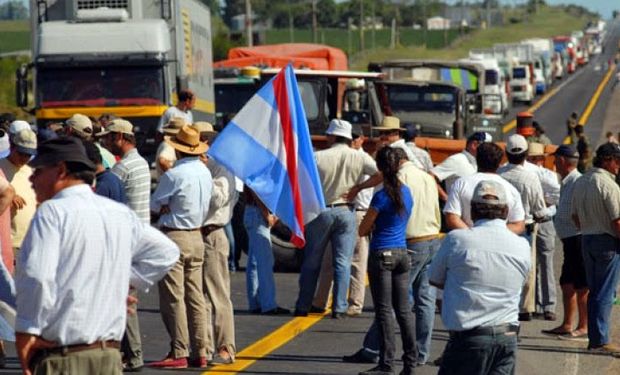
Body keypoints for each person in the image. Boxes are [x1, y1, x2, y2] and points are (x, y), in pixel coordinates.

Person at [14, 137, 179, 375]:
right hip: (109, 357)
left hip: (65, 358)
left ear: (60, 170)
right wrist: (122, 283)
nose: (31, 179)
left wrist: (25, 331)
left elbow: (37, 276)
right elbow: (166, 252)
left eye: (38, 171)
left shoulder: (53, 211)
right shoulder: (118, 213)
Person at [344, 146, 442, 367]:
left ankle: (379, 356)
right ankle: (415, 355)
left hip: (399, 246)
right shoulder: (422, 180)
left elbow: (363, 228)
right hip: (428, 240)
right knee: (419, 303)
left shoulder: (385, 192)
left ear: (383, 167)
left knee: (386, 308)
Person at [430, 180, 531, 375]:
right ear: (505, 211)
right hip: (507, 336)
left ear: (473, 211)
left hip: (469, 338)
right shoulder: (521, 246)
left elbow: (435, 278)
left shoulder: (457, 240)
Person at [295, 119, 380, 318]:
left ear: (332, 136)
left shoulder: (318, 156)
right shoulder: (359, 157)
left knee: (312, 261)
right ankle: (340, 307)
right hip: (346, 211)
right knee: (343, 262)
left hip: (321, 211)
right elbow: (380, 174)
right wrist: (358, 188)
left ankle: (303, 305)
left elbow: (302, 183)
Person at [149, 125, 212, 369]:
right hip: (197, 236)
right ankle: (201, 350)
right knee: (195, 297)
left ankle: (179, 350)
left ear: (179, 150)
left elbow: (156, 206)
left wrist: (165, 207)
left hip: (175, 236)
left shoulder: (174, 175)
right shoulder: (205, 172)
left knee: (174, 297)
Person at [357, 147, 416, 375]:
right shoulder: (406, 192)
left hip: (382, 253)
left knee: (384, 312)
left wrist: (371, 223)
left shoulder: (381, 196)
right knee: (404, 311)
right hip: (402, 252)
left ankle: (387, 363)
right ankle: (410, 362)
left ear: (380, 167)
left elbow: (363, 230)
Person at [98, 119, 151, 371]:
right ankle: (130, 353)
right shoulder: (140, 163)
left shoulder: (122, 170)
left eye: (109, 138)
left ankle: (134, 354)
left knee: (122, 300)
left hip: (126, 242)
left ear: (120, 136)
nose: (107, 143)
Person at [570, 143, 620, 356]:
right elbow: (617, 220)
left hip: (587, 238)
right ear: (607, 160)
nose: (618, 166)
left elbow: (574, 216)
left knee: (594, 290)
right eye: (617, 161)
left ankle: (595, 337)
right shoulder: (609, 185)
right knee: (605, 292)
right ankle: (600, 340)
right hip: (607, 241)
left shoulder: (581, 181)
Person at [498, 135, 548, 321]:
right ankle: (524, 308)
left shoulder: (500, 174)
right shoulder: (530, 177)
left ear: (507, 153)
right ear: (526, 154)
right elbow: (539, 209)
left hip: (501, 227)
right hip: (525, 227)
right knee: (526, 269)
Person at [202, 124, 239, 365]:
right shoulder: (204, 166)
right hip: (199, 233)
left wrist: (202, 175)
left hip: (213, 232)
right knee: (200, 297)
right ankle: (204, 346)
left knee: (218, 294)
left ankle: (226, 346)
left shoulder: (221, 168)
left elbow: (218, 199)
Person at [542, 145, 588, 340]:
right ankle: (567, 323)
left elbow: (581, 211)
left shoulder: (577, 181)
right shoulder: (567, 181)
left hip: (577, 239)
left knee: (581, 284)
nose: (554, 164)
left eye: (555, 160)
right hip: (569, 240)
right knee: (566, 282)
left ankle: (584, 326)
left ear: (562, 160)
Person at [443, 142, 525, 234]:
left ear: (476, 159)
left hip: (467, 244)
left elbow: (452, 218)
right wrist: (496, 235)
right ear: (499, 164)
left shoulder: (461, 183)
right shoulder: (511, 189)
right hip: (498, 244)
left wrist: (471, 235)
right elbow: (519, 225)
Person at [525, 143, 561, 321]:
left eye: (536, 158)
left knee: (545, 263)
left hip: (544, 221)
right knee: (529, 265)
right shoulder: (529, 174)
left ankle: (548, 305)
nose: (534, 162)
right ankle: (531, 304)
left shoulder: (549, 176)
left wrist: (544, 208)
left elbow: (555, 200)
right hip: (530, 220)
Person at [0, 129, 37, 268]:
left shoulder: (32, 171)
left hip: (30, 244)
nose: (24, 159)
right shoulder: (1, 168)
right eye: (21, 153)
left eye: (29, 155)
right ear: (12, 146)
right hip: (9, 245)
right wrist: (8, 195)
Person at [431, 132, 491, 201]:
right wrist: (445, 198)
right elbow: (430, 176)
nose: (489, 150)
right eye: (487, 146)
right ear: (474, 145)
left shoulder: (480, 163)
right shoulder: (457, 159)